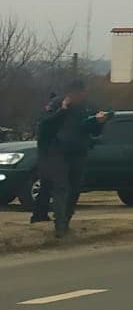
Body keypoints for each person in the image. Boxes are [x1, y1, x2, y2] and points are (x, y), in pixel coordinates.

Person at [35, 80, 109, 237]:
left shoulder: (89, 107)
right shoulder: (56, 103)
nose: (80, 96)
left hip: (79, 152)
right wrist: (62, 110)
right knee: (61, 187)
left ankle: (66, 221)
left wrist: (99, 122)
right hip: (57, 151)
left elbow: (94, 132)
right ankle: (59, 225)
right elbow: (45, 124)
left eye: (82, 93)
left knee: (75, 189)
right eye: (77, 93)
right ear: (70, 93)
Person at [29, 93, 61, 223]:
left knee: (46, 188)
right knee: (47, 187)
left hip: (46, 155)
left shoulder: (45, 116)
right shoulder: (48, 119)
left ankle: (39, 214)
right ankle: (39, 215)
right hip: (48, 155)